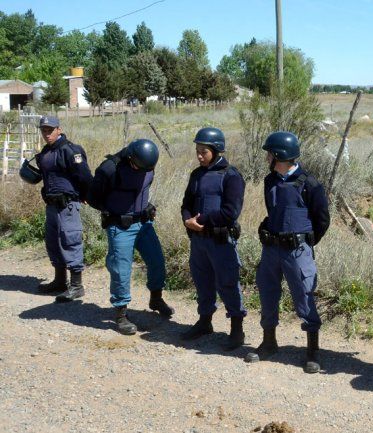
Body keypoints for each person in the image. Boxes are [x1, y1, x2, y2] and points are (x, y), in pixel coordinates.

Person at [245, 132, 330, 373]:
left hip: (297, 250)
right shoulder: (269, 180)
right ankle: (269, 341)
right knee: (267, 292)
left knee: (304, 294)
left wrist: (304, 242)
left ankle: (313, 350)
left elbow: (322, 220)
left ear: (280, 155)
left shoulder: (309, 183)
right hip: (271, 249)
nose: (267, 157)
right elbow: (273, 211)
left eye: (269, 153)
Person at [88, 139, 174, 335]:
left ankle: (156, 298)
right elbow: (93, 197)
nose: (141, 171)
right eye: (138, 167)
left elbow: (142, 189)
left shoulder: (148, 165)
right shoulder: (109, 169)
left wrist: (145, 205)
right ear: (130, 158)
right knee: (121, 270)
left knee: (157, 262)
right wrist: (114, 212)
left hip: (144, 223)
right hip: (120, 226)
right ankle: (120, 313)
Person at [180, 127, 248, 351]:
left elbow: (230, 212)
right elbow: (186, 204)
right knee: (202, 282)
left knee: (228, 283)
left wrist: (202, 220)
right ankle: (204, 322)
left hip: (221, 241)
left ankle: (237, 329)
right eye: (197, 151)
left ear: (217, 151)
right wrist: (187, 220)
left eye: (204, 152)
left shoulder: (231, 176)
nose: (199, 156)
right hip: (198, 241)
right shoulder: (196, 174)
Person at [20, 116, 93, 302]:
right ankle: (60, 281)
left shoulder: (70, 150)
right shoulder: (46, 152)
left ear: (58, 129)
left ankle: (77, 286)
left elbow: (85, 176)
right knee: (53, 242)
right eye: (43, 130)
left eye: (50, 130)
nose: (46, 134)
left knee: (70, 241)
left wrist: (86, 195)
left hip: (68, 205)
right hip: (51, 205)